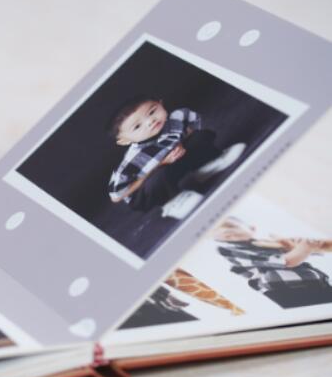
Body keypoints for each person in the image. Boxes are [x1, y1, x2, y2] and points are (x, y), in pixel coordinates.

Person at [107, 96, 245, 213]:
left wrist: (182, 142)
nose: (150, 121)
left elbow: (193, 126)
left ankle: (206, 168)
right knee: (159, 176)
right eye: (137, 127)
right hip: (145, 192)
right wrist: (161, 163)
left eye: (152, 111)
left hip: (173, 162)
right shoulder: (132, 161)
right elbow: (116, 196)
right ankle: (173, 203)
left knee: (200, 137)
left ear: (160, 103)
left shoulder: (178, 117)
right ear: (124, 141)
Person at [213, 217, 332, 308]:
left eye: (231, 226)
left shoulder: (272, 243)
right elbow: (287, 261)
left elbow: (317, 249)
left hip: (318, 285)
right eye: (218, 232)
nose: (225, 231)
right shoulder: (230, 250)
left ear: (252, 228)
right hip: (286, 291)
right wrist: (305, 247)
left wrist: (296, 246)